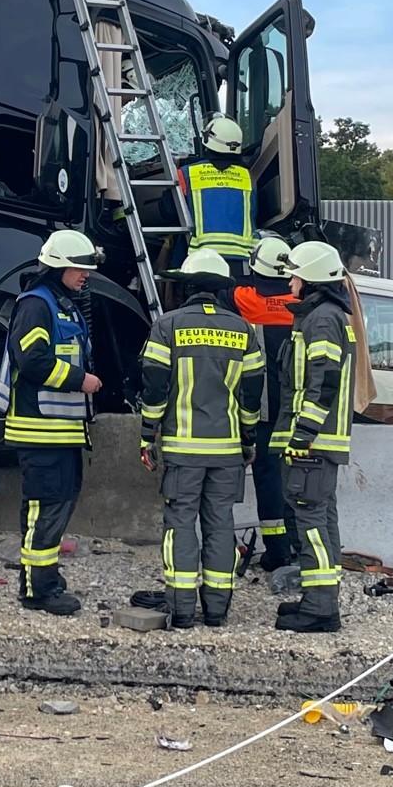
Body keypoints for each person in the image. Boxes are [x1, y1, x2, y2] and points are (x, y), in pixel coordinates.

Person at [137, 250, 266, 628]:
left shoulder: (167, 326)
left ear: (187, 286)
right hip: (227, 452)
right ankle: (216, 610)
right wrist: (248, 439)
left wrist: (147, 435)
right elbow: (251, 395)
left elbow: (154, 387)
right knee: (221, 524)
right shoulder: (243, 330)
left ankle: (180, 610)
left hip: (182, 451)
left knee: (180, 523)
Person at [0, 229, 105, 615]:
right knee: (44, 509)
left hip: (60, 432)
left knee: (56, 506)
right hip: (41, 432)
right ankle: (38, 590)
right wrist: (80, 380)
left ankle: (45, 578)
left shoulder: (61, 304)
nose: (85, 275)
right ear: (58, 267)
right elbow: (32, 361)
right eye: (79, 268)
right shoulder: (36, 305)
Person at [276, 240, 355, 634]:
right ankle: (319, 599)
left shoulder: (321, 319)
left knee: (310, 522)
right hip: (323, 443)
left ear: (310, 278)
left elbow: (323, 381)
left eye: (295, 275)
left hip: (314, 443)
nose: (290, 282)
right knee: (322, 520)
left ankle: (320, 608)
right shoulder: (328, 315)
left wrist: (303, 433)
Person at [232, 235, 299, 581]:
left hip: (262, 413)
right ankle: (299, 547)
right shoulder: (300, 303)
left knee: (268, 482)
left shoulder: (246, 300)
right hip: (297, 412)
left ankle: (277, 552)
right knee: (298, 483)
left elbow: (228, 288)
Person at [178, 115, 256, 272]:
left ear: (207, 141)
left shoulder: (186, 174)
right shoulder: (248, 177)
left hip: (200, 260)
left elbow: (168, 211)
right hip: (243, 262)